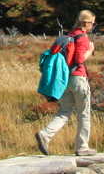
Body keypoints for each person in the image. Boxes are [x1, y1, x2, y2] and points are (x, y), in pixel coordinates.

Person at [35, 9, 97, 157]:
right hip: (78, 78)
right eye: (93, 24)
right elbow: (79, 60)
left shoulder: (69, 36)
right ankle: (82, 147)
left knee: (64, 112)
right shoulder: (82, 37)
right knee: (84, 113)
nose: (93, 26)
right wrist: (90, 50)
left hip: (64, 80)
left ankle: (45, 134)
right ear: (86, 23)